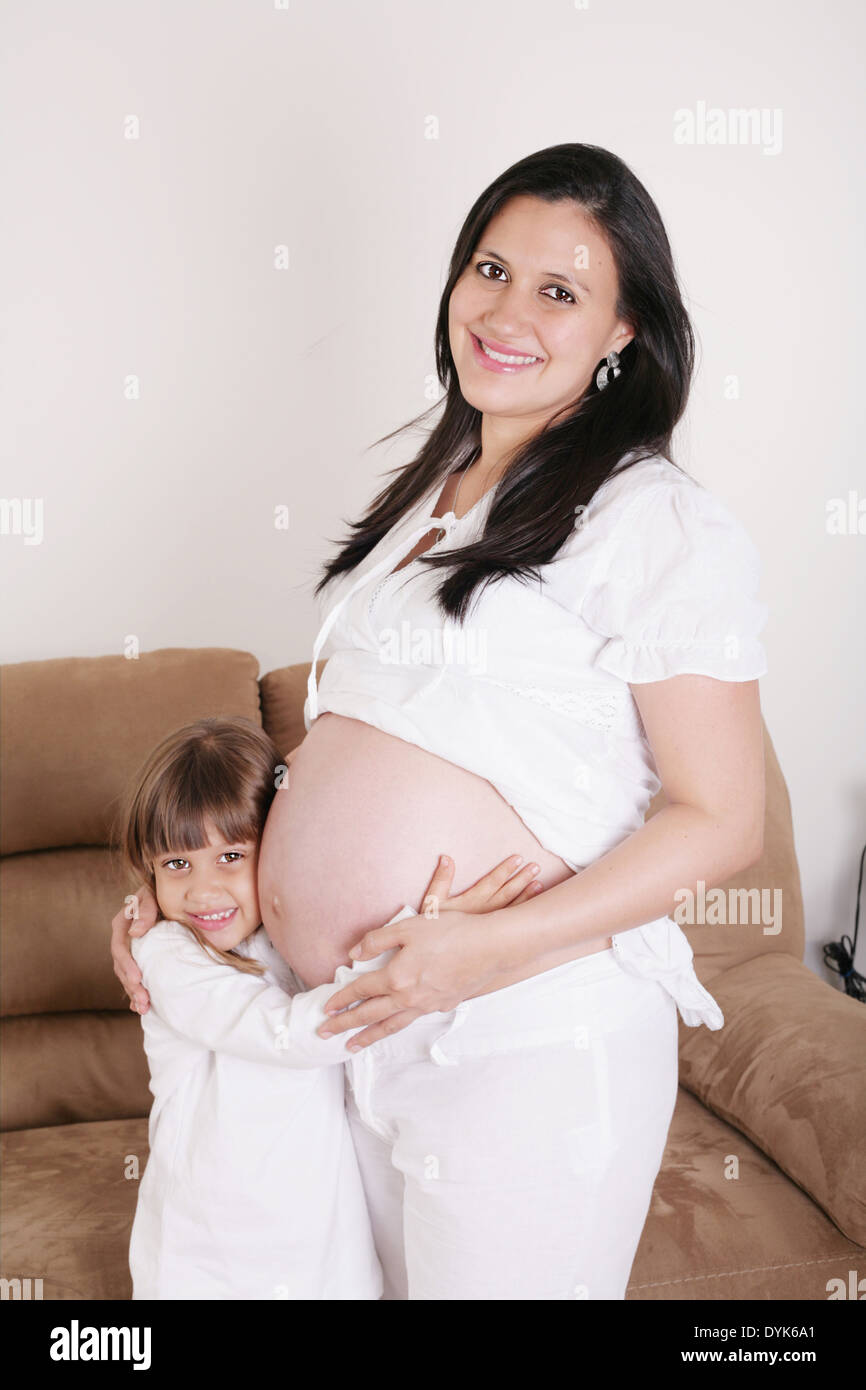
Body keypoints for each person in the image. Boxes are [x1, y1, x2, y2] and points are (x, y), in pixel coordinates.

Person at [113, 143, 768, 1300]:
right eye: (489, 268)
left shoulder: (656, 522)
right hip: (365, 1033)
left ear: (623, 331)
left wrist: (478, 951)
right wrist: (185, 928)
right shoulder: (435, 491)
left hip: (521, 1033)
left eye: (559, 291)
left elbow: (721, 823)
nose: (506, 311)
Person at [117, 716, 540, 1299]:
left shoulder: (276, 940)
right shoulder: (167, 954)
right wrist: (422, 944)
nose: (203, 890)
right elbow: (290, 1033)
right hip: (211, 1244)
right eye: (177, 864)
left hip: (319, 1226)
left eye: (232, 856)